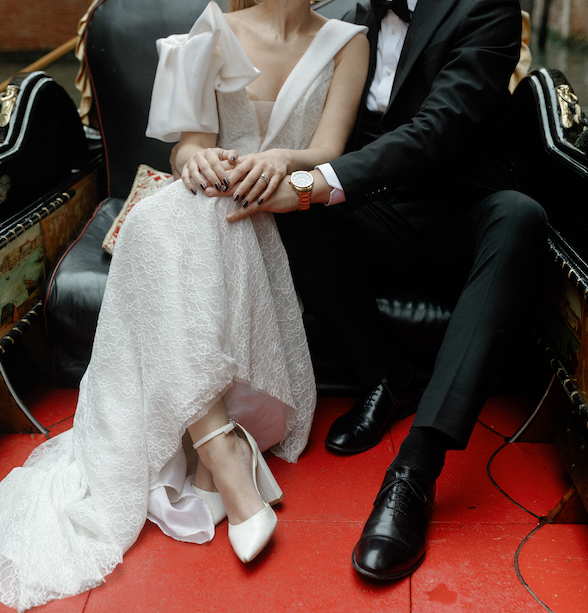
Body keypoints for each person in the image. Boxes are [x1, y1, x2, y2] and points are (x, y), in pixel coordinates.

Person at [0, 1, 368, 609]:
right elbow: (186, 154)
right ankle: (221, 452)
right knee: (165, 219)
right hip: (207, 208)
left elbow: (329, 149)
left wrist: (276, 162)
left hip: (283, 216)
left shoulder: (348, 42)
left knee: (173, 222)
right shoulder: (209, 32)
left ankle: (223, 456)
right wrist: (203, 161)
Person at [225, 0, 546, 581]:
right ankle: (384, 373)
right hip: (376, 209)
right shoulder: (352, 18)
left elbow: (441, 127)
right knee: (289, 204)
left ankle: (414, 473)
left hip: (461, 210)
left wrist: (317, 183)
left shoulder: (488, 8)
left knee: (521, 217)